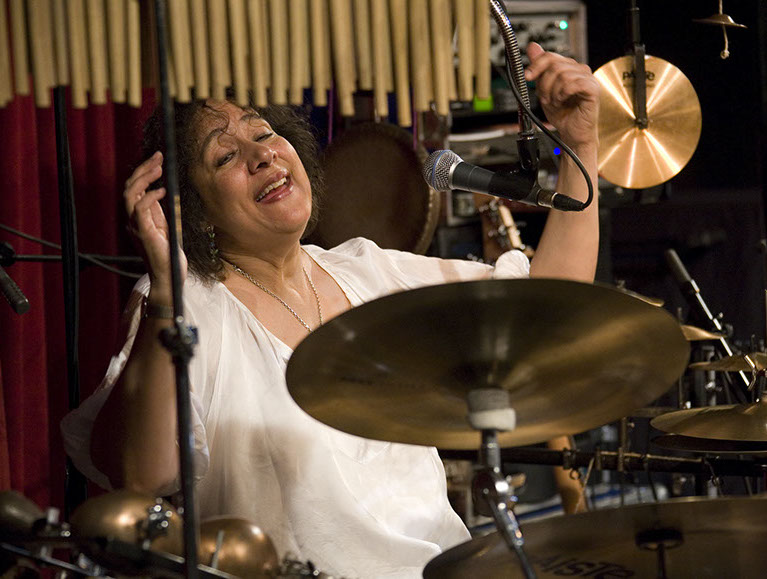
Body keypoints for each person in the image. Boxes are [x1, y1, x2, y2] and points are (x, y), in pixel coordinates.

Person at [62, 43, 600, 578]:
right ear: (194, 212)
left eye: (263, 134)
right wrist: (165, 294)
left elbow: (544, 309)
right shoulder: (183, 302)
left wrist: (580, 145)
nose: (261, 156)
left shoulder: (369, 270)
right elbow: (143, 476)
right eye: (224, 157)